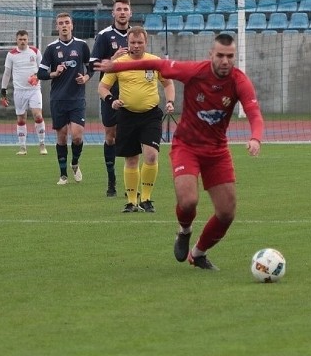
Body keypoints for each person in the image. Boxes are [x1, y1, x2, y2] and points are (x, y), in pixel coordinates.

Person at [95, 33, 263, 270]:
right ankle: (184, 231)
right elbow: (156, 64)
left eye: (230, 56)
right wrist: (117, 65)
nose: (225, 61)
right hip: (187, 147)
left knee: (226, 212)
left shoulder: (239, 81)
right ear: (211, 55)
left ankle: (199, 253)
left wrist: (255, 137)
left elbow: (254, 112)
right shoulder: (194, 71)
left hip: (217, 152)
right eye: (220, 56)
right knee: (188, 201)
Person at [97, 26, 175, 213]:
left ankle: (146, 198)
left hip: (150, 115)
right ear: (128, 43)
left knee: (151, 155)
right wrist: (111, 101)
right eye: (133, 42)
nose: (136, 45)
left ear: (146, 43)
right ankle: (132, 201)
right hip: (126, 115)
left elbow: (168, 83)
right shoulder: (119, 63)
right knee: (131, 160)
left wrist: (170, 101)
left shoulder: (155, 62)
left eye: (140, 42)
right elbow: (102, 87)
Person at [37, 12, 91, 185]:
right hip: (58, 99)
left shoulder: (82, 46)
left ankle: (75, 163)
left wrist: (86, 78)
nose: (64, 26)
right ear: (57, 26)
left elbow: (91, 67)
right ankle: (63, 175)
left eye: (67, 22)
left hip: (77, 98)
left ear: (72, 25)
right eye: (61, 23)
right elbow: (41, 73)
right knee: (61, 137)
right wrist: (54, 73)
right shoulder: (52, 48)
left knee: (76, 136)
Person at [90, 0, 132, 197]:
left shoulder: (137, 35)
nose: (122, 12)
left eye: (125, 9)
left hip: (132, 93)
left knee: (130, 138)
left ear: (130, 13)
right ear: (113, 14)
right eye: (119, 9)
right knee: (111, 137)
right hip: (110, 93)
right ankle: (111, 181)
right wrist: (113, 59)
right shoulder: (104, 36)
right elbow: (92, 65)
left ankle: (129, 185)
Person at [0, 30, 48, 156]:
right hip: (19, 91)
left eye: (25, 39)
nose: (23, 41)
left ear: (28, 40)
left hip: (34, 90)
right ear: (16, 40)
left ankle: (42, 145)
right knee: (21, 118)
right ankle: (22, 147)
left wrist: (37, 76)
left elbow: (43, 69)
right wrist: (3, 91)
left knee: (37, 115)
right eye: (20, 39)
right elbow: (7, 73)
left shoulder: (35, 52)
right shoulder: (11, 55)